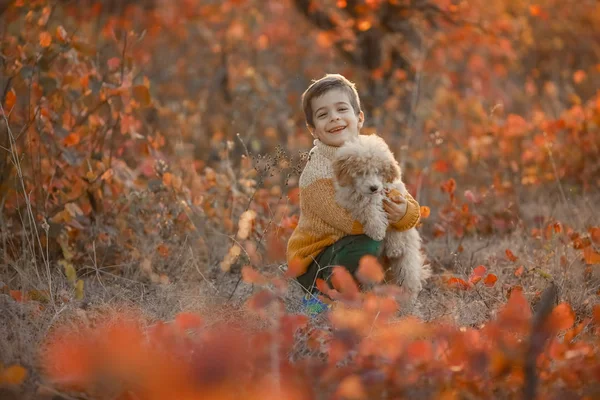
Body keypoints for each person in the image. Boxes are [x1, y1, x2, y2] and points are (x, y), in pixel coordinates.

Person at [286, 73, 421, 315]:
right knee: (369, 241)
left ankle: (377, 298)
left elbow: (398, 189)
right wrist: (390, 218)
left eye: (341, 109)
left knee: (396, 242)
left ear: (359, 118)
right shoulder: (316, 173)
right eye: (323, 114)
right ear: (313, 130)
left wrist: (404, 213)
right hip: (315, 262)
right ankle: (321, 299)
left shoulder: (373, 150)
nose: (334, 117)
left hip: (351, 246)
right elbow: (350, 223)